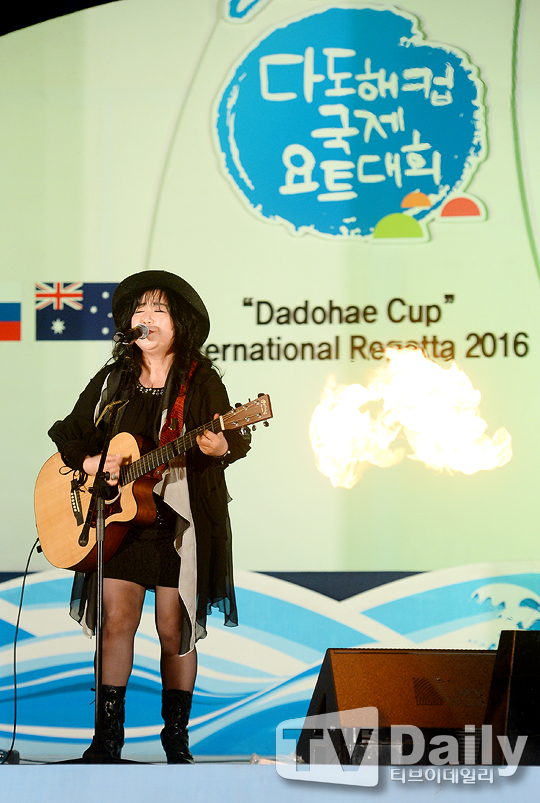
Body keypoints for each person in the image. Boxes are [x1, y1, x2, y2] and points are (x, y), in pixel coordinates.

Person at [48, 270, 250, 763]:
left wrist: (222, 445)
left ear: (180, 324)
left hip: (179, 523)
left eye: (159, 310)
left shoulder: (200, 380)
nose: (147, 318)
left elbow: (231, 440)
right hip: (120, 522)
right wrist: (92, 462)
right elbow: (68, 432)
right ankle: (107, 741)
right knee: (116, 622)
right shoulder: (112, 380)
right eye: (140, 310)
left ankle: (175, 740)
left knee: (172, 629)